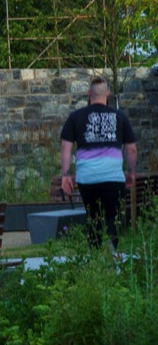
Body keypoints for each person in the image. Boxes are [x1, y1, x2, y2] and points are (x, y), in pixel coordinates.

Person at [60, 76, 138, 249]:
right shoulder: (119, 117)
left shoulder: (76, 117)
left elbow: (66, 146)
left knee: (93, 217)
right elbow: (131, 149)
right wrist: (131, 172)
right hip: (113, 178)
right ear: (108, 94)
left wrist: (66, 175)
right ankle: (112, 253)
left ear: (89, 94)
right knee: (112, 217)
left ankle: (94, 256)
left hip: (87, 178)